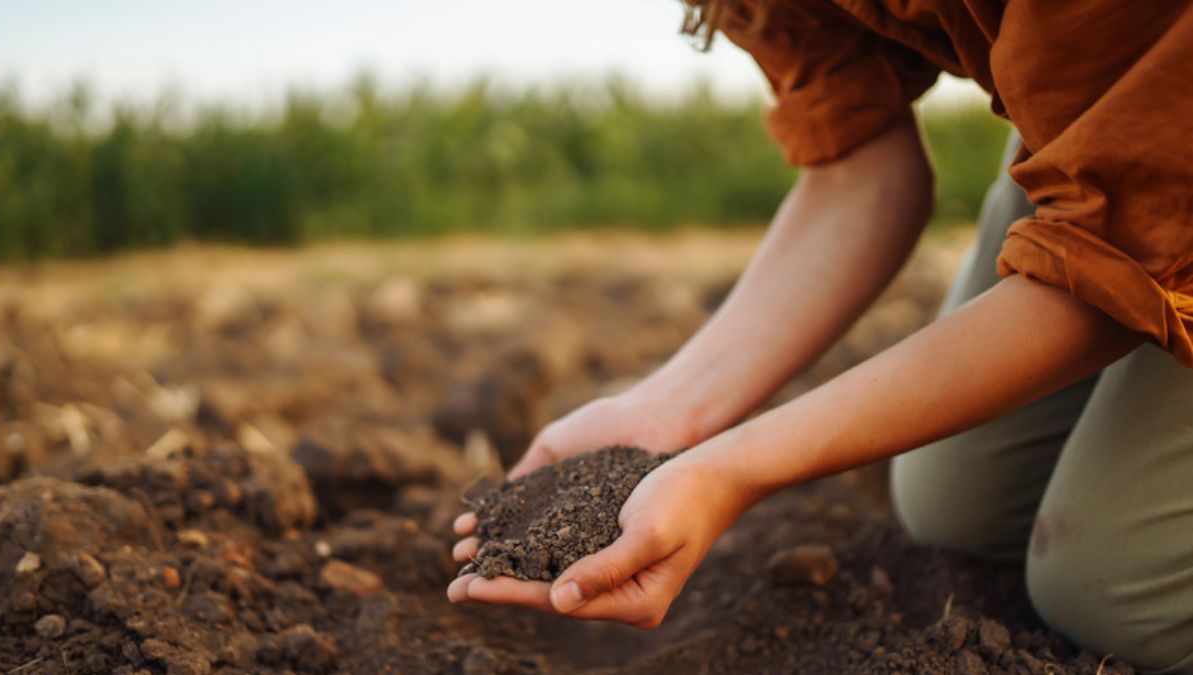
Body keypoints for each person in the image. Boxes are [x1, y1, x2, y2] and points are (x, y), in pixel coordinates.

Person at [448, 1, 1193, 671]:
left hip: (1164, 133)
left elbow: (1115, 249)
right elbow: (856, 168)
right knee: (954, 504)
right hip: (1105, 134)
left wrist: (732, 470)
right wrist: (668, 412)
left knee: (1114, 593)